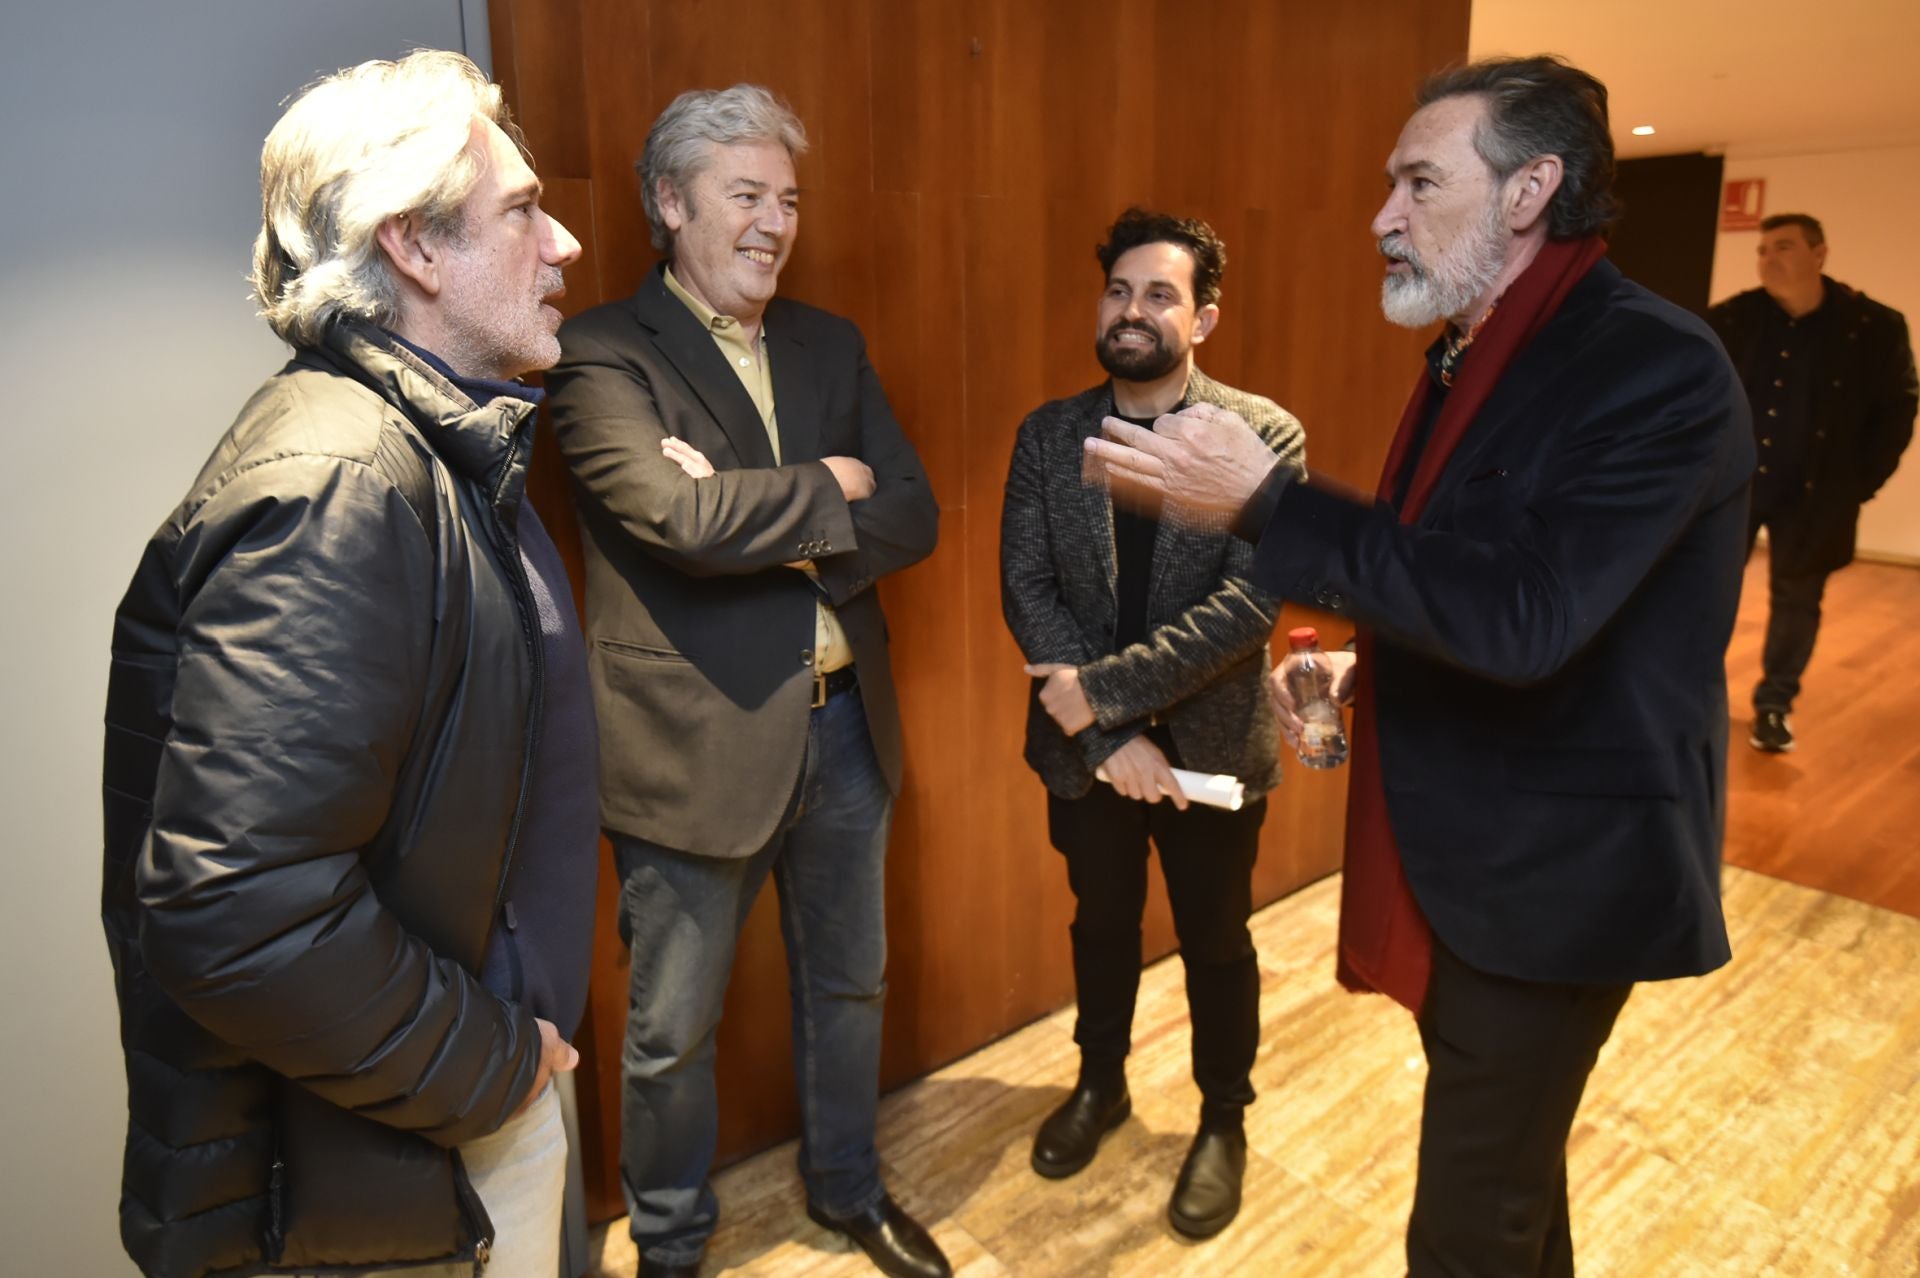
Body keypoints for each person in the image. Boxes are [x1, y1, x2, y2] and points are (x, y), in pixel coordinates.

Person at [1084, 56, 1752, 1276]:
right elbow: (1448, 570)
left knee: (1463, 1228)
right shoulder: (1471, 354)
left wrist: (1265, 502)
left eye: (1417, 181)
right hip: (1475, 851)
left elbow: (1528, 617)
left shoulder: (1654, 366)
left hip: (1558, 883)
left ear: (1529, 190)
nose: (1382, 216)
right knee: (1509, 1197)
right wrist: (1354, 671)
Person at [101, 50, 595, 1278]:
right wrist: (496, 1067)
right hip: (398, 1163)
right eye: (525, 211)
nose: (567, 243)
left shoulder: (429, 450)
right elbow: (234, 907)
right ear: (416, 248)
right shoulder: (342, 482)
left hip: (437, 1124)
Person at [544, 85, 944, 1278]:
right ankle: (669, 1249)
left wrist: (739, 512)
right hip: (691, 748)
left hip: (845, 738)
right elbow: (669, 516)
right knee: (670, 1036)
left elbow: (912, 513)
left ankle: (847, 1191)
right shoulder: (599, 350)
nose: (776, 223)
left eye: (790, 200)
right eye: (747, 196)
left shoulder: (830, 342)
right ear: (672, 204)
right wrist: (831, 483)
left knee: (850, 988)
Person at [999, 208, 1303, 1239]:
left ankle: (1224, 1119)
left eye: (1160, 294)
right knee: (1102, 924)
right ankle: (1101, 1085)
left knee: (1217, 939)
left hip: (1211, 757)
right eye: (1120, 291)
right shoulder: (1051, 433)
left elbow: (1249, 605)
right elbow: (1027, 587)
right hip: (1090, 757)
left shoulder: (1262, 435)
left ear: (1204, 317)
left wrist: (1108, 697)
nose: (1134, 312)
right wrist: (1105, 736)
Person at [1708, 213, 1918, 752]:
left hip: (1816, 492)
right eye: (1761, 250)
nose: (1768, 259)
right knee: (1705, 586)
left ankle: (1774, 705)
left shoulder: (1873, 327)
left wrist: (1857, 484)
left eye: (1783, 247)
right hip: (1735, 484)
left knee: (1797, 601)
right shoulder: (1735, 318)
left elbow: (1897, 410)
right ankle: (1693, 689)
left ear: (1819, 254)